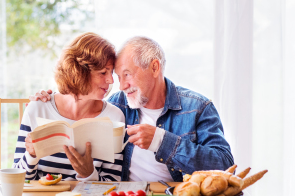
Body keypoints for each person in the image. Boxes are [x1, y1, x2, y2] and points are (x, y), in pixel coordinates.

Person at [31, 36, 234, 182]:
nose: (121, 86)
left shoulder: (197, 107)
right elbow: (81, 97)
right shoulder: (117, 104)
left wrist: (161, 141)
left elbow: (225, 166)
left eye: (127, 74)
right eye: (118, 77)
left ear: (155, 68)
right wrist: (46, 98)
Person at [13, 32, 125, 182]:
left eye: (111, 73)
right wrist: (31, 155)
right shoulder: (38, 108)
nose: (111, 80)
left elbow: (113, 184)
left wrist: (89, 174)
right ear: (79, 72)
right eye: (103, 72)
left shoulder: (114, 117)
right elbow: (18, 180)